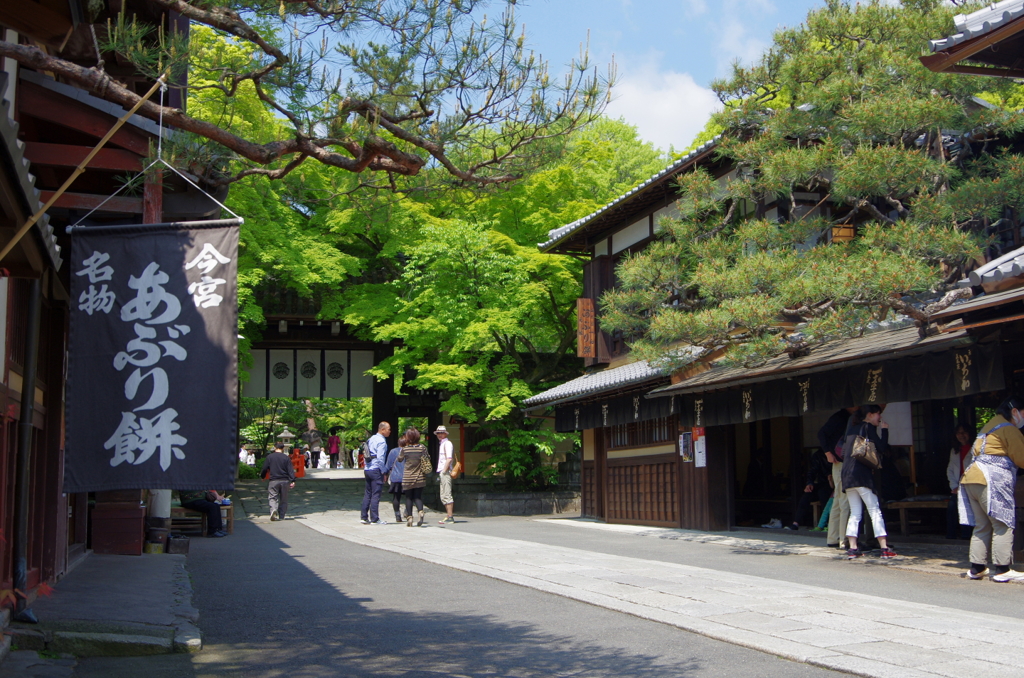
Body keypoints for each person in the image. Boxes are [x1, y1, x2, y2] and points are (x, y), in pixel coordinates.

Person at [959, 397, 1024, 582]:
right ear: (1015, 411)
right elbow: (1021, 457)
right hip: (991, 479)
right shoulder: (1008, 428)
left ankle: (977, 568)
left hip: (972, 478)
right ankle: (1002, 569)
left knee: (982, 526)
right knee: (1002, 523)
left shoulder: (989, 426)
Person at [841, 405, 896, 560]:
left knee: (855, 512)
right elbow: (882, 447)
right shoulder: (868, 427)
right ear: (870, 415)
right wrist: (884, 430)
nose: (880, 418)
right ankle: (884, 547)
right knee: (874, 510)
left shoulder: (851, 429)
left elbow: (844, 452)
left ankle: (852, 548)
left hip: (847, 475)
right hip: (861, 475)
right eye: (878, 414)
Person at [819, 407, 857, 549]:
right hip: (841, 462)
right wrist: (828, 453)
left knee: (837, 501)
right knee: (844, 500)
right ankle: (843, 539)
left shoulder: (845, 417)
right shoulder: (840, 417)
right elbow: (821, 433)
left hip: (839, 462)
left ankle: (833, 537)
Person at [786, 447, 832, 531]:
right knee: (806, 496)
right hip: (821, 482)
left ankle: (827, 524)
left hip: (831, 484)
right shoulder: (818, 455)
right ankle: (796, 523)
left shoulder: (837, 453)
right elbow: (812, 471)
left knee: (824, 494)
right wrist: (809, 483)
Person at [946, 424, 974, 540]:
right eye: (959, 433)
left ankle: (966, 535)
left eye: (964, 432)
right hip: (958, 486)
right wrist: (954, 486)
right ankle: (951, 535)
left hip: (972, 485)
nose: (961, 435)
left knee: (967, 506)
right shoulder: (955, 450)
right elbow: (950, 470)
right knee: (952, 505)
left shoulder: (976, 448)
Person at [360, 421, 391, 525]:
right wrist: (384, 471)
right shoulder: (381, 441)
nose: (390, 431)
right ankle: (375, 518)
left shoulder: (370, 439)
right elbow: (381, 458)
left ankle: (364, 517)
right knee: (376, 494)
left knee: (368, 493)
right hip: (376, 469)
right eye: (388, 429)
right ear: (382, 430)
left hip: (367, 468)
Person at [398, 428, 428, 527]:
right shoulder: (422, 448)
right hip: (420, 477)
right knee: (418, 497)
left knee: (408, 498)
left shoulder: (405, 449)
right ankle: (420, 512)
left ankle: (410, 518)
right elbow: (428, 458)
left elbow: (399, 459)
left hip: (407, 477)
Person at [261, 442, 296, 521]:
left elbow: (265, 468)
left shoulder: (270, 457)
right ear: (283, 448)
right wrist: (293, 480)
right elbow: (290, 470)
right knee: (284, 499)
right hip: (285, 480)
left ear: (274, 447)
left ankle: (273, 509)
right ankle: (282, 515)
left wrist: (263, 476)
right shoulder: (286, 457)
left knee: (273, 496)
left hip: (274, 480)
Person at [385, 435, 408, 523]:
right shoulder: (409, 452)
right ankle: (407, 511)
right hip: (407, 477)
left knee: (396, 497)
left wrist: (385, 473)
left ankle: (397, 516)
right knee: (409, 496)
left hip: (395, 477)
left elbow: (388, 465)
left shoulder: (393, 451)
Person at [435, 425, 455, 524]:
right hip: (443, 471)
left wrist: (444, 471)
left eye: (441, 433)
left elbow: (449, 458)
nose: (440, 434)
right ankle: (448, 515)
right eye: (438, 433)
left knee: (447, 494)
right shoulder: (442, 444)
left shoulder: (447, 443)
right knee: (443, 495)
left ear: (445, 433)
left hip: (445, 471)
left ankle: (450, 516)